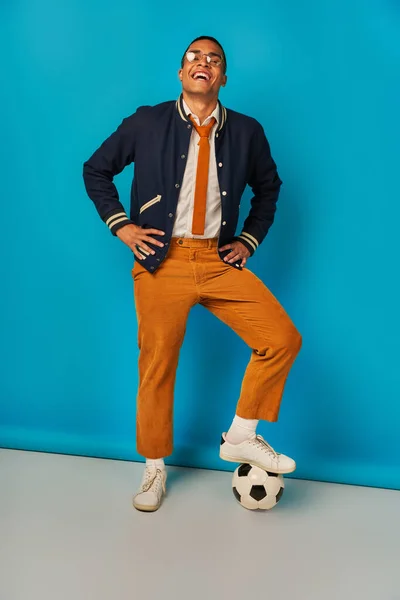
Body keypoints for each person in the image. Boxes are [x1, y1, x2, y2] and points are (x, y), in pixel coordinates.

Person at [83, 36, 302, 512]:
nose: (203, 64)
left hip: (218, 261)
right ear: (181, 74)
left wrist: (248, 239)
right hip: (163, 261)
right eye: (194, 58)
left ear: (223, 78)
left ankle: (242, 435)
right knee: (157, 364)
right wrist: (122, 226)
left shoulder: (247, 131)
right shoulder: (147, 121)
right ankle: (154, 468)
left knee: (281, 338)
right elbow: (96, 170)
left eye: (214, 60)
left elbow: (269, 189)